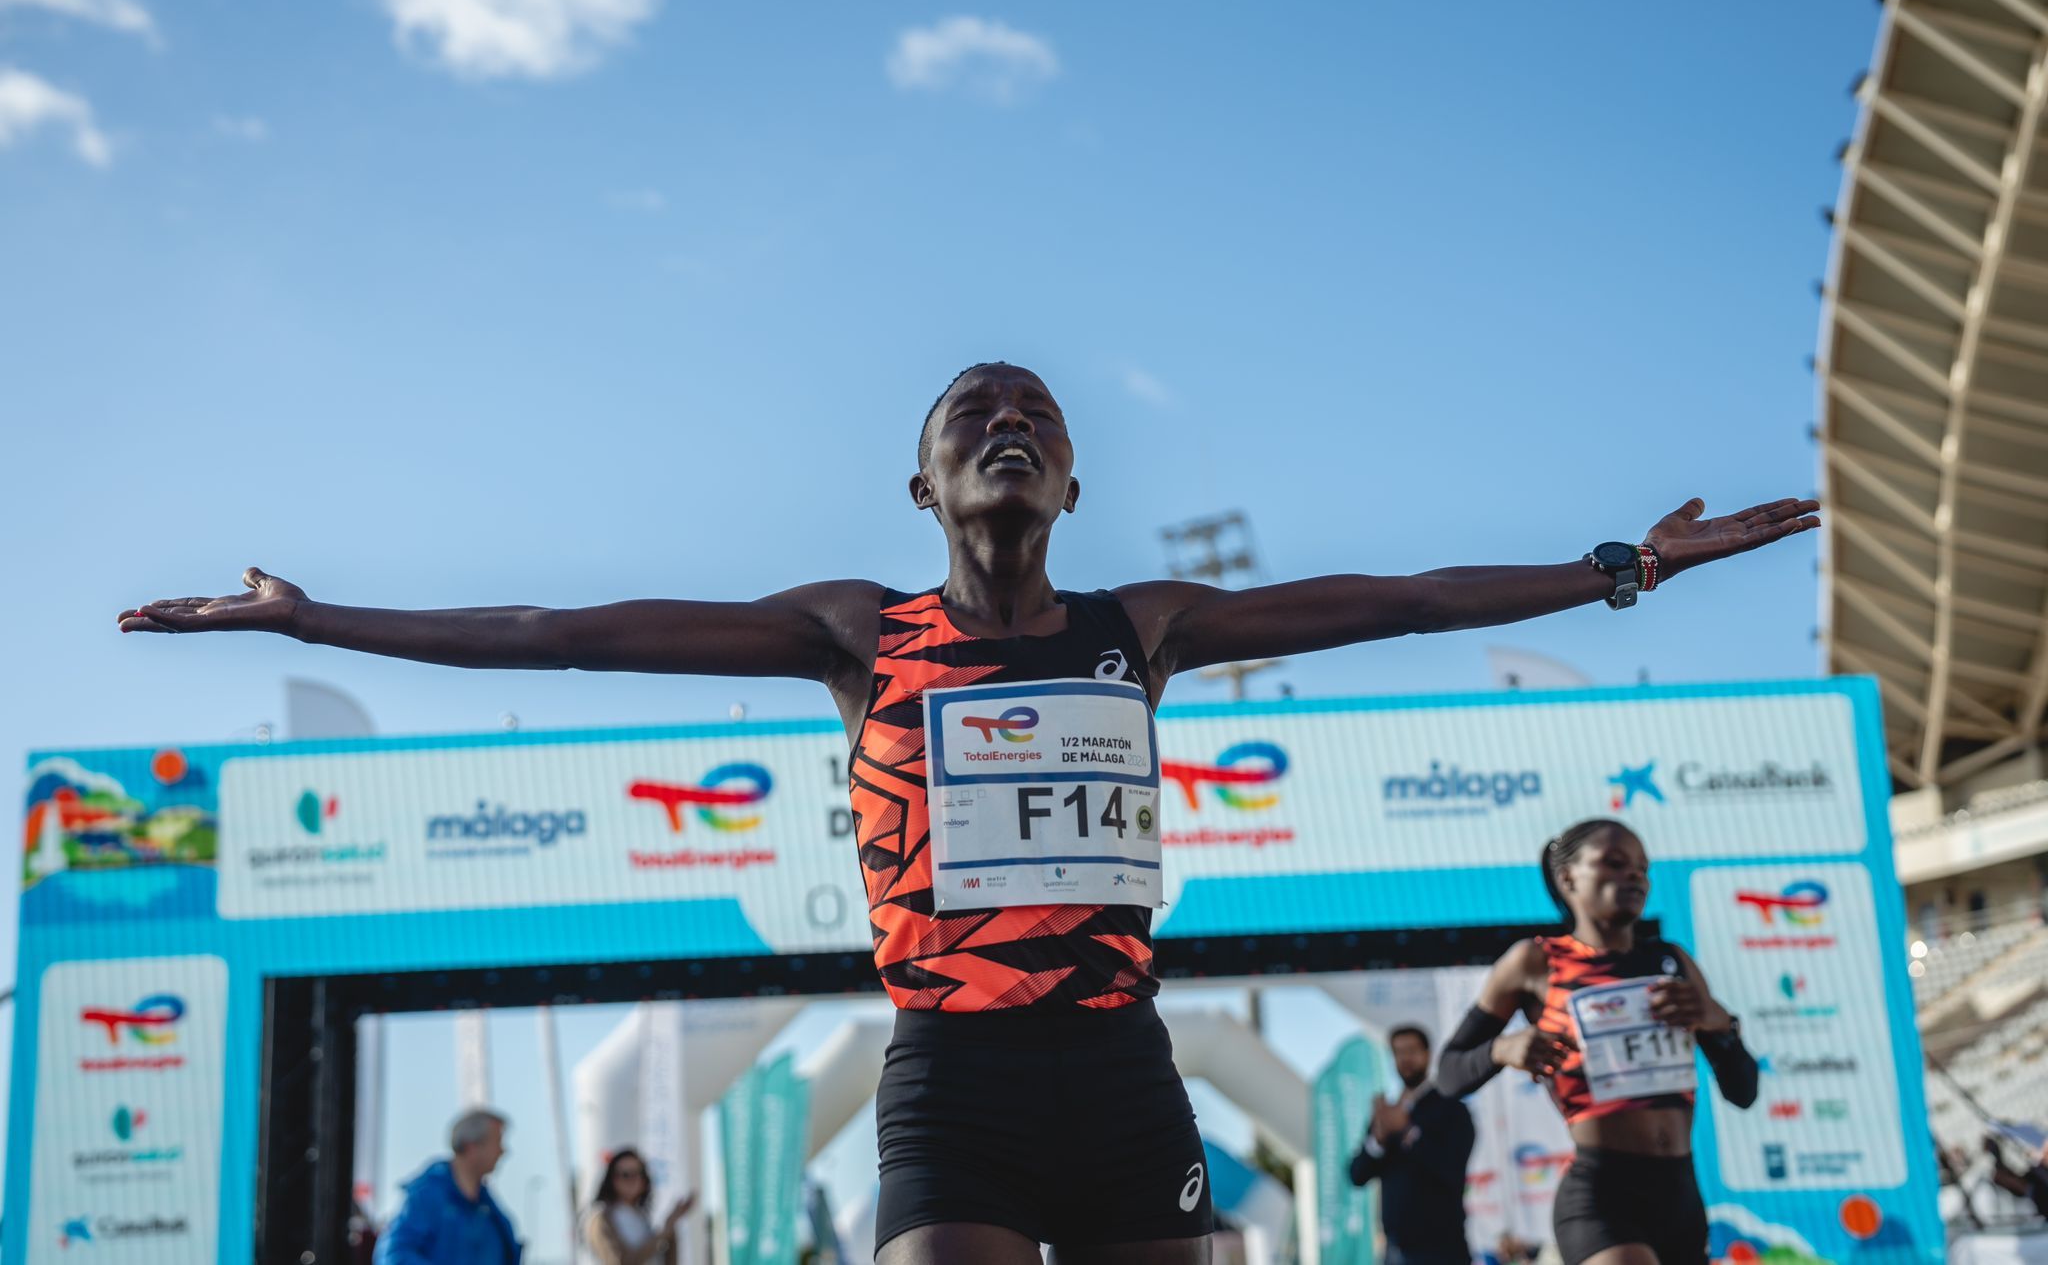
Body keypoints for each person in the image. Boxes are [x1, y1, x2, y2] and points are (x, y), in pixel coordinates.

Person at [122, 363, 1816, 1265]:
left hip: (1119, 1061)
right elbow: (555, 631)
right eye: (969, 418)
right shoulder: (854, 632)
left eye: (1035, 420)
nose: (1004, 428)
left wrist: (1620, 569)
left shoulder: (1137, 625)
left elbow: (1391, 600)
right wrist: (318, 617)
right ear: (922, 486)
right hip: (949, 1070)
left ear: (1070, 487)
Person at [1435, 820, 1758, 1265]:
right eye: (1615, 863)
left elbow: (1744, 1092)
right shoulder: (1535, 961)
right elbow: (1449, 1075)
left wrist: (1717, 1021)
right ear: (1567, 878)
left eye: (1643, 869)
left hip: (1681, 1196)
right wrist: (1502, 1049)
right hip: (1602, 1195)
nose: (1635, 877)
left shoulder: (1671, 961)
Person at [1347, 1025, 1474, 1265]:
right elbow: (1357, 1174)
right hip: (1395, 1251)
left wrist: (1408, 1131)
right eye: (1398, 1052)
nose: (1405, 1059)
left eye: (1412, 1051)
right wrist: (1379, 1140)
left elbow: (1452, 1168)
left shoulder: (1450, 1108)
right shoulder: (1387, 1113)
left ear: (1427, 1054)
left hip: (1442, 1249)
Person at [374, 1108, 521, 1265]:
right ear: (471, 1146)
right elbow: (393, 1257)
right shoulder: (426, 1198)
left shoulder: (489, 1210)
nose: (502, 1151)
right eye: (497, 1142)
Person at [585, 1147, 697, 1265]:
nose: (633, 1179)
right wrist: (665, 1231)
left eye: (639, 1173)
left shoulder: (641, 1218)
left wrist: (672, 1227)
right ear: (613, 1179)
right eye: (626, 1175)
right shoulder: (600, 1219)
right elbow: (621, 1262)